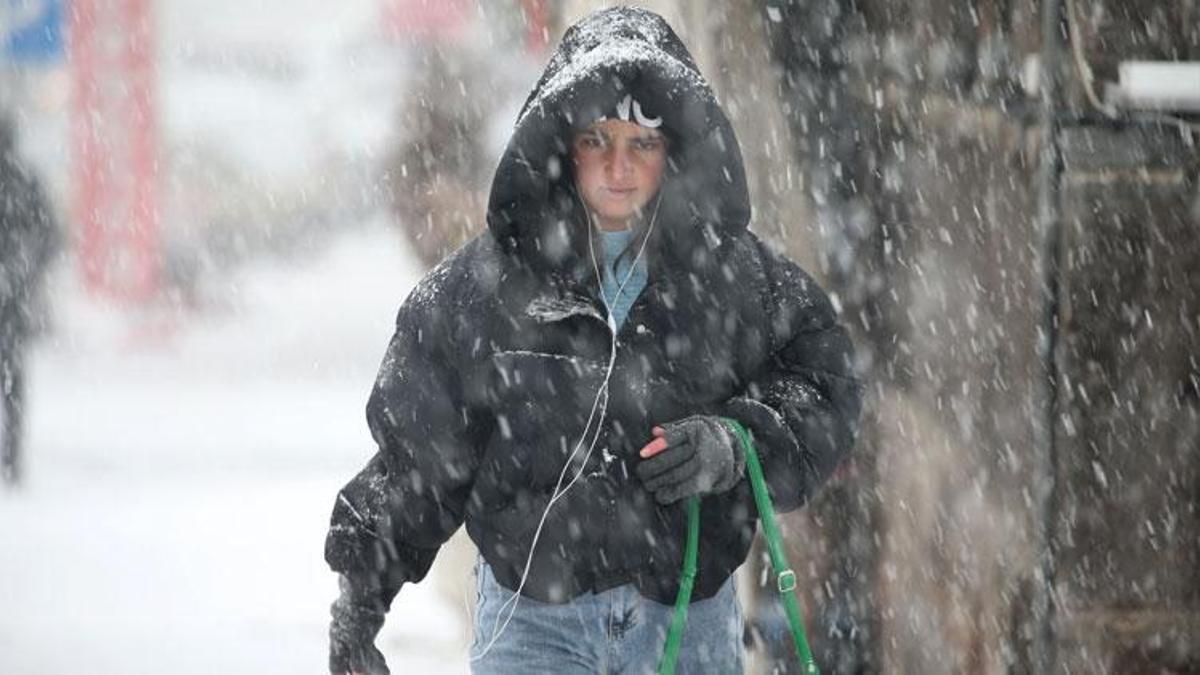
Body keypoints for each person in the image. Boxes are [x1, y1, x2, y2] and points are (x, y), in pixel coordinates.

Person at [325, 7, 861, 674]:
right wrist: (359, 600)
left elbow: (825, 385)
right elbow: (418, 456)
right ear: (561, 144)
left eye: (642, 143)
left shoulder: (738, 280)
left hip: (683, 624)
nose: (618, 166)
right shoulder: (487, 288)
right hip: (533, 624)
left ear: (676, 151)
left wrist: (735, 442)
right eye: (597, 139)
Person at [0, 113, 57, 486]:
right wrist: (25, 271)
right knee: (14, 380)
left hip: (13, 298)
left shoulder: (23, 181)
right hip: (14, 302)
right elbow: (50, 234)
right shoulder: (26, 180)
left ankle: (13, 457)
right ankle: (13, 457)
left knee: (14, 378)